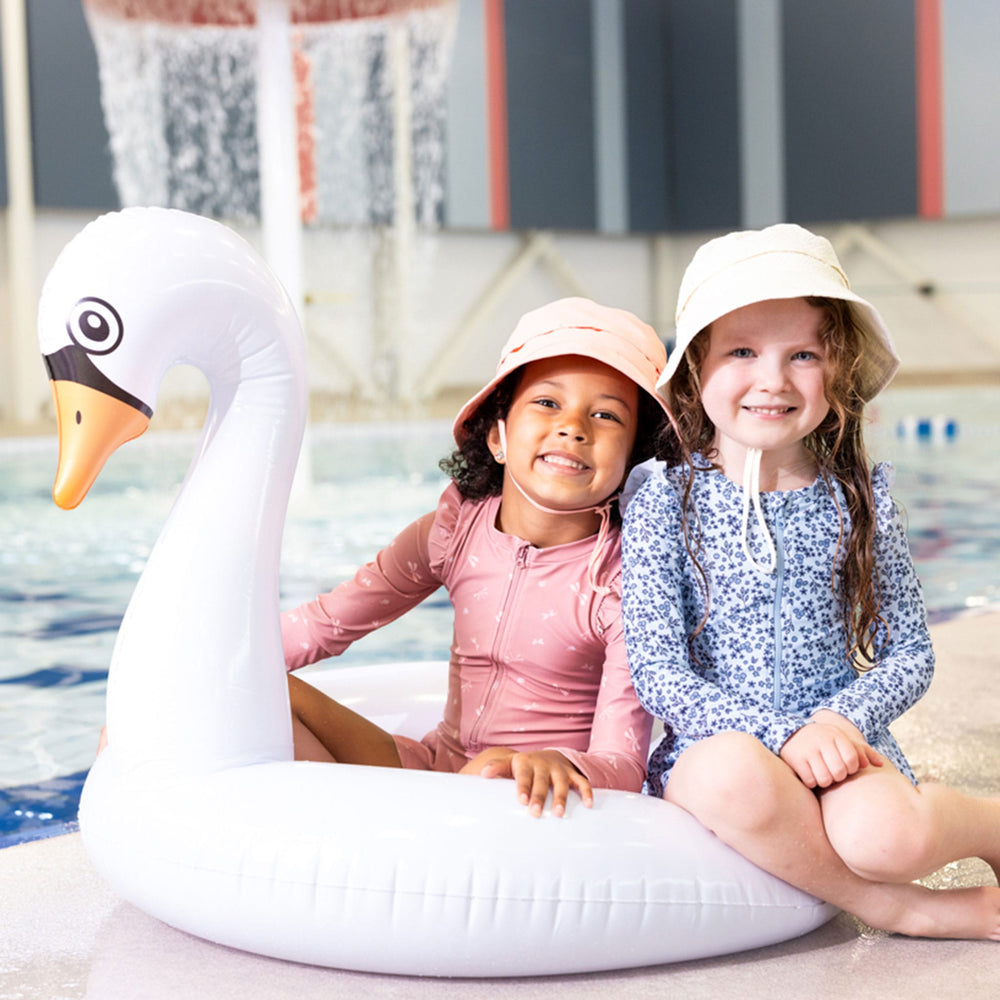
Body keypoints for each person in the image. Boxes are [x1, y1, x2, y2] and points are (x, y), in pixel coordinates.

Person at [621, 224, 1000, 939]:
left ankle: (988, 823)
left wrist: (836, 724)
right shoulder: (663, 504)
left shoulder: (857, 503)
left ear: (839, 373)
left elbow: (910, 653)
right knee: (729, 776)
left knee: (887, 839)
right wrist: (779, 734)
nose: (773, 380)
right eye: (742, 352)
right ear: (696, 368)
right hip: (721, 745)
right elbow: (659, 673)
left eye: (803, 354)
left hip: (838, 744)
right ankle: (907, 911)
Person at [284, 297, 668, 817]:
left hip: (525, 795)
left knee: (490, 769)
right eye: (547, 402)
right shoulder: (454, 532)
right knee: (266, 691)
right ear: (498, 435)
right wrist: (213, 657)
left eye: (606, 415)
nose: (574, 426)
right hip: (434, 770)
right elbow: (324, 624)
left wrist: (555, 761)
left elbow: (622, 764)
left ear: (635, 459)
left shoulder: (625, 582)